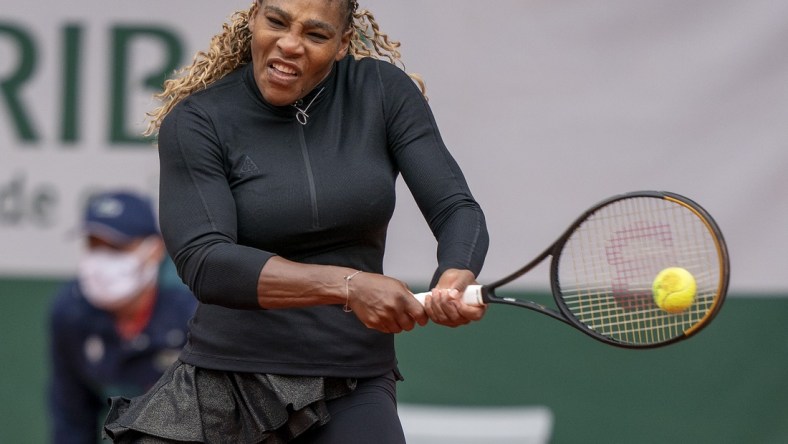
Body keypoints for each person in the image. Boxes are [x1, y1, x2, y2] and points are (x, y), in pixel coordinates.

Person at [104, 0, 489, 442]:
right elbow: (206, 262)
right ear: (253, 19)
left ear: (344, 43)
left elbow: (456, 207)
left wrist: (454, 274)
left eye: (315, 34)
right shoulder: (199, 120)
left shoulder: (383, 92)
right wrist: (348, 285)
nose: (289, 45)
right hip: (226, 381)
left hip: (350, 379)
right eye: (277, 22)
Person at [47, 190, 197, 444]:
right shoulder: (69, 312)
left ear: (155, 249)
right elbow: (72, 420)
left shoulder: (193, 307)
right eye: (94, 245)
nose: (101, 261)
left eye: (116, 247)